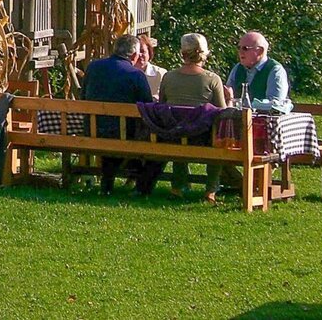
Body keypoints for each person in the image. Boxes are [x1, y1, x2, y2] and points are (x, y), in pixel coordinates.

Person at [81, 34, 162, 195]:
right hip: (123, 133)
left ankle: (108, 182)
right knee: (151, 138)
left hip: (92, 129)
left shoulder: (93, 67)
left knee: (113, 128)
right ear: (133, 55)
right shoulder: (136, 75)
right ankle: (139, 184)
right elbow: (146, 107)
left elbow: (83, 96)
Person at [159, 33, 229, 202]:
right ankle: (211, 190)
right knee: (215, 134)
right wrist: (231, 98)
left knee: (180, 125)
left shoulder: (169, 77)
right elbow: (222, 112)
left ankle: (178, 187)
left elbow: (162, 104)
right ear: (204, 54)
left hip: (175, 135)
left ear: (182, 53)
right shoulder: (212, 79)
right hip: (203, 137)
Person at [225, 31, 290, 103]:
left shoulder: (275, 70)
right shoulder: (238, 68)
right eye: (239, 48)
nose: (240, 52)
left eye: (245, 48)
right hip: (239, 114)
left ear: (260, 51)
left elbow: (275, 104)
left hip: (264, 114)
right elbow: (227, 95)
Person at [135, 35, 166, 100]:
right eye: (137, 52)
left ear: (149, 52)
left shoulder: (160, 74)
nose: (140, 55)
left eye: (143, 51)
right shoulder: (125, 74)